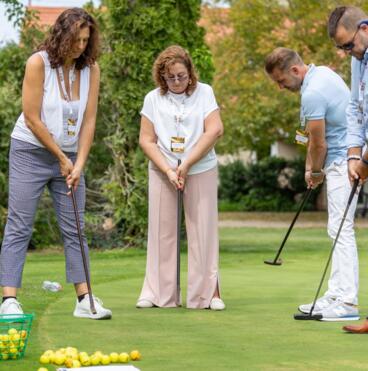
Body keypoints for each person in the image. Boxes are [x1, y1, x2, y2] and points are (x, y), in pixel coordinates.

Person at [0, 8, 111, 319]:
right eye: (75, 39)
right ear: (62, 36)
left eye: (86, 40)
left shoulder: (91, 69)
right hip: (30, 151)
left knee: (75, 229)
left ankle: (85, 300)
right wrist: (62, 158)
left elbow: (89, 121)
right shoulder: (38, 63)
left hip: (71, 157)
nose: (80, 46)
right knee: (20, 225)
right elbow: (33, 118)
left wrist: (79, 163)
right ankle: (8, 299)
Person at [265, 47, 359, 321]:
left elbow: (319, 142)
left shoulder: (312, 93)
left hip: (344, 162)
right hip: (343, 158)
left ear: (295, 70)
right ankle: (335, 294)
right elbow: (312, 138)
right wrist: (311, 168)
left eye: (281, 81)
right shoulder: (324, 74)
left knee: (341, 230)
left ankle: (347, 303)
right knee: (337, 228)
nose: (281, 88)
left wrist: (314, 172)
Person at [136, 45, 225, 310]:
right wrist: (167, 169)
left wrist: (186, 164)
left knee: (203, 232)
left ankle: (209, 295)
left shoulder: (204, 92)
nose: (176, 81)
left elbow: (215, 130)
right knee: (162, 233)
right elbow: (146, 139)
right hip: (163, 170)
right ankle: (157, 294)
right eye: (170, 77)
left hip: (200, 168)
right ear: (161, 76)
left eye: (181, 76)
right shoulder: (152, 98)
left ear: (190, 73)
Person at [328, 5, 368, 332]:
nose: (345, 53)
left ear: (364, 29)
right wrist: (353, 155)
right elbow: (355, 110)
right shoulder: (359, 62)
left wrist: (364, 162)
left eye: (347, 45)